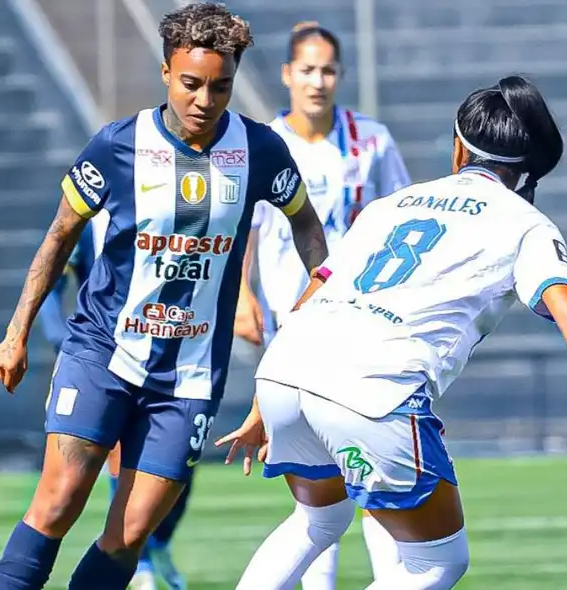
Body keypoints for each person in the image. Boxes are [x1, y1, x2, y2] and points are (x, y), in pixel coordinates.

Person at [219, 75, 567, 590]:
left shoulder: (390, 206)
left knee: (318, 521)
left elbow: (316, 291)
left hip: (285, 371)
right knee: (437, 563)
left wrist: (263, 399)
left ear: (459, 146)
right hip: (372, 390)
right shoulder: (526, 224)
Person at [0, 3, 329, 589]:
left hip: (190, 375)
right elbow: (59, 237)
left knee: (130, 533)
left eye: (220, 86)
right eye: (192, 84)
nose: (205, 99)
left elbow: (306, 225)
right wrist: (16, 332)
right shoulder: (118, 146)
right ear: (167, 73)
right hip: (103, 352)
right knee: (58, 501)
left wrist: (321, 295)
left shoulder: (261, 150)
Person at [235, 21, 410, 589]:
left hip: (361, 332)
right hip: (292, 331)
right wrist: (240, 296)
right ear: (287, 75)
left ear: (340, 75)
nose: (318, 81)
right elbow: (245, 229)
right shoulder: (262, 142)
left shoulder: (371, 140)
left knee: (372, 474)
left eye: (328, 69)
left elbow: (401, 223)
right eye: (307, 70)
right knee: (319, 485)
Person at [36, 218, 194, 590]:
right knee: (117, 460)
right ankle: (136, 560)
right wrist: (59, 336)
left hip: (176, 355)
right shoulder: (97, 204)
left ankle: (157, 545)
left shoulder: (178, 199)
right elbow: (56, 267)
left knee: (177, 472)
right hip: (109, 355)